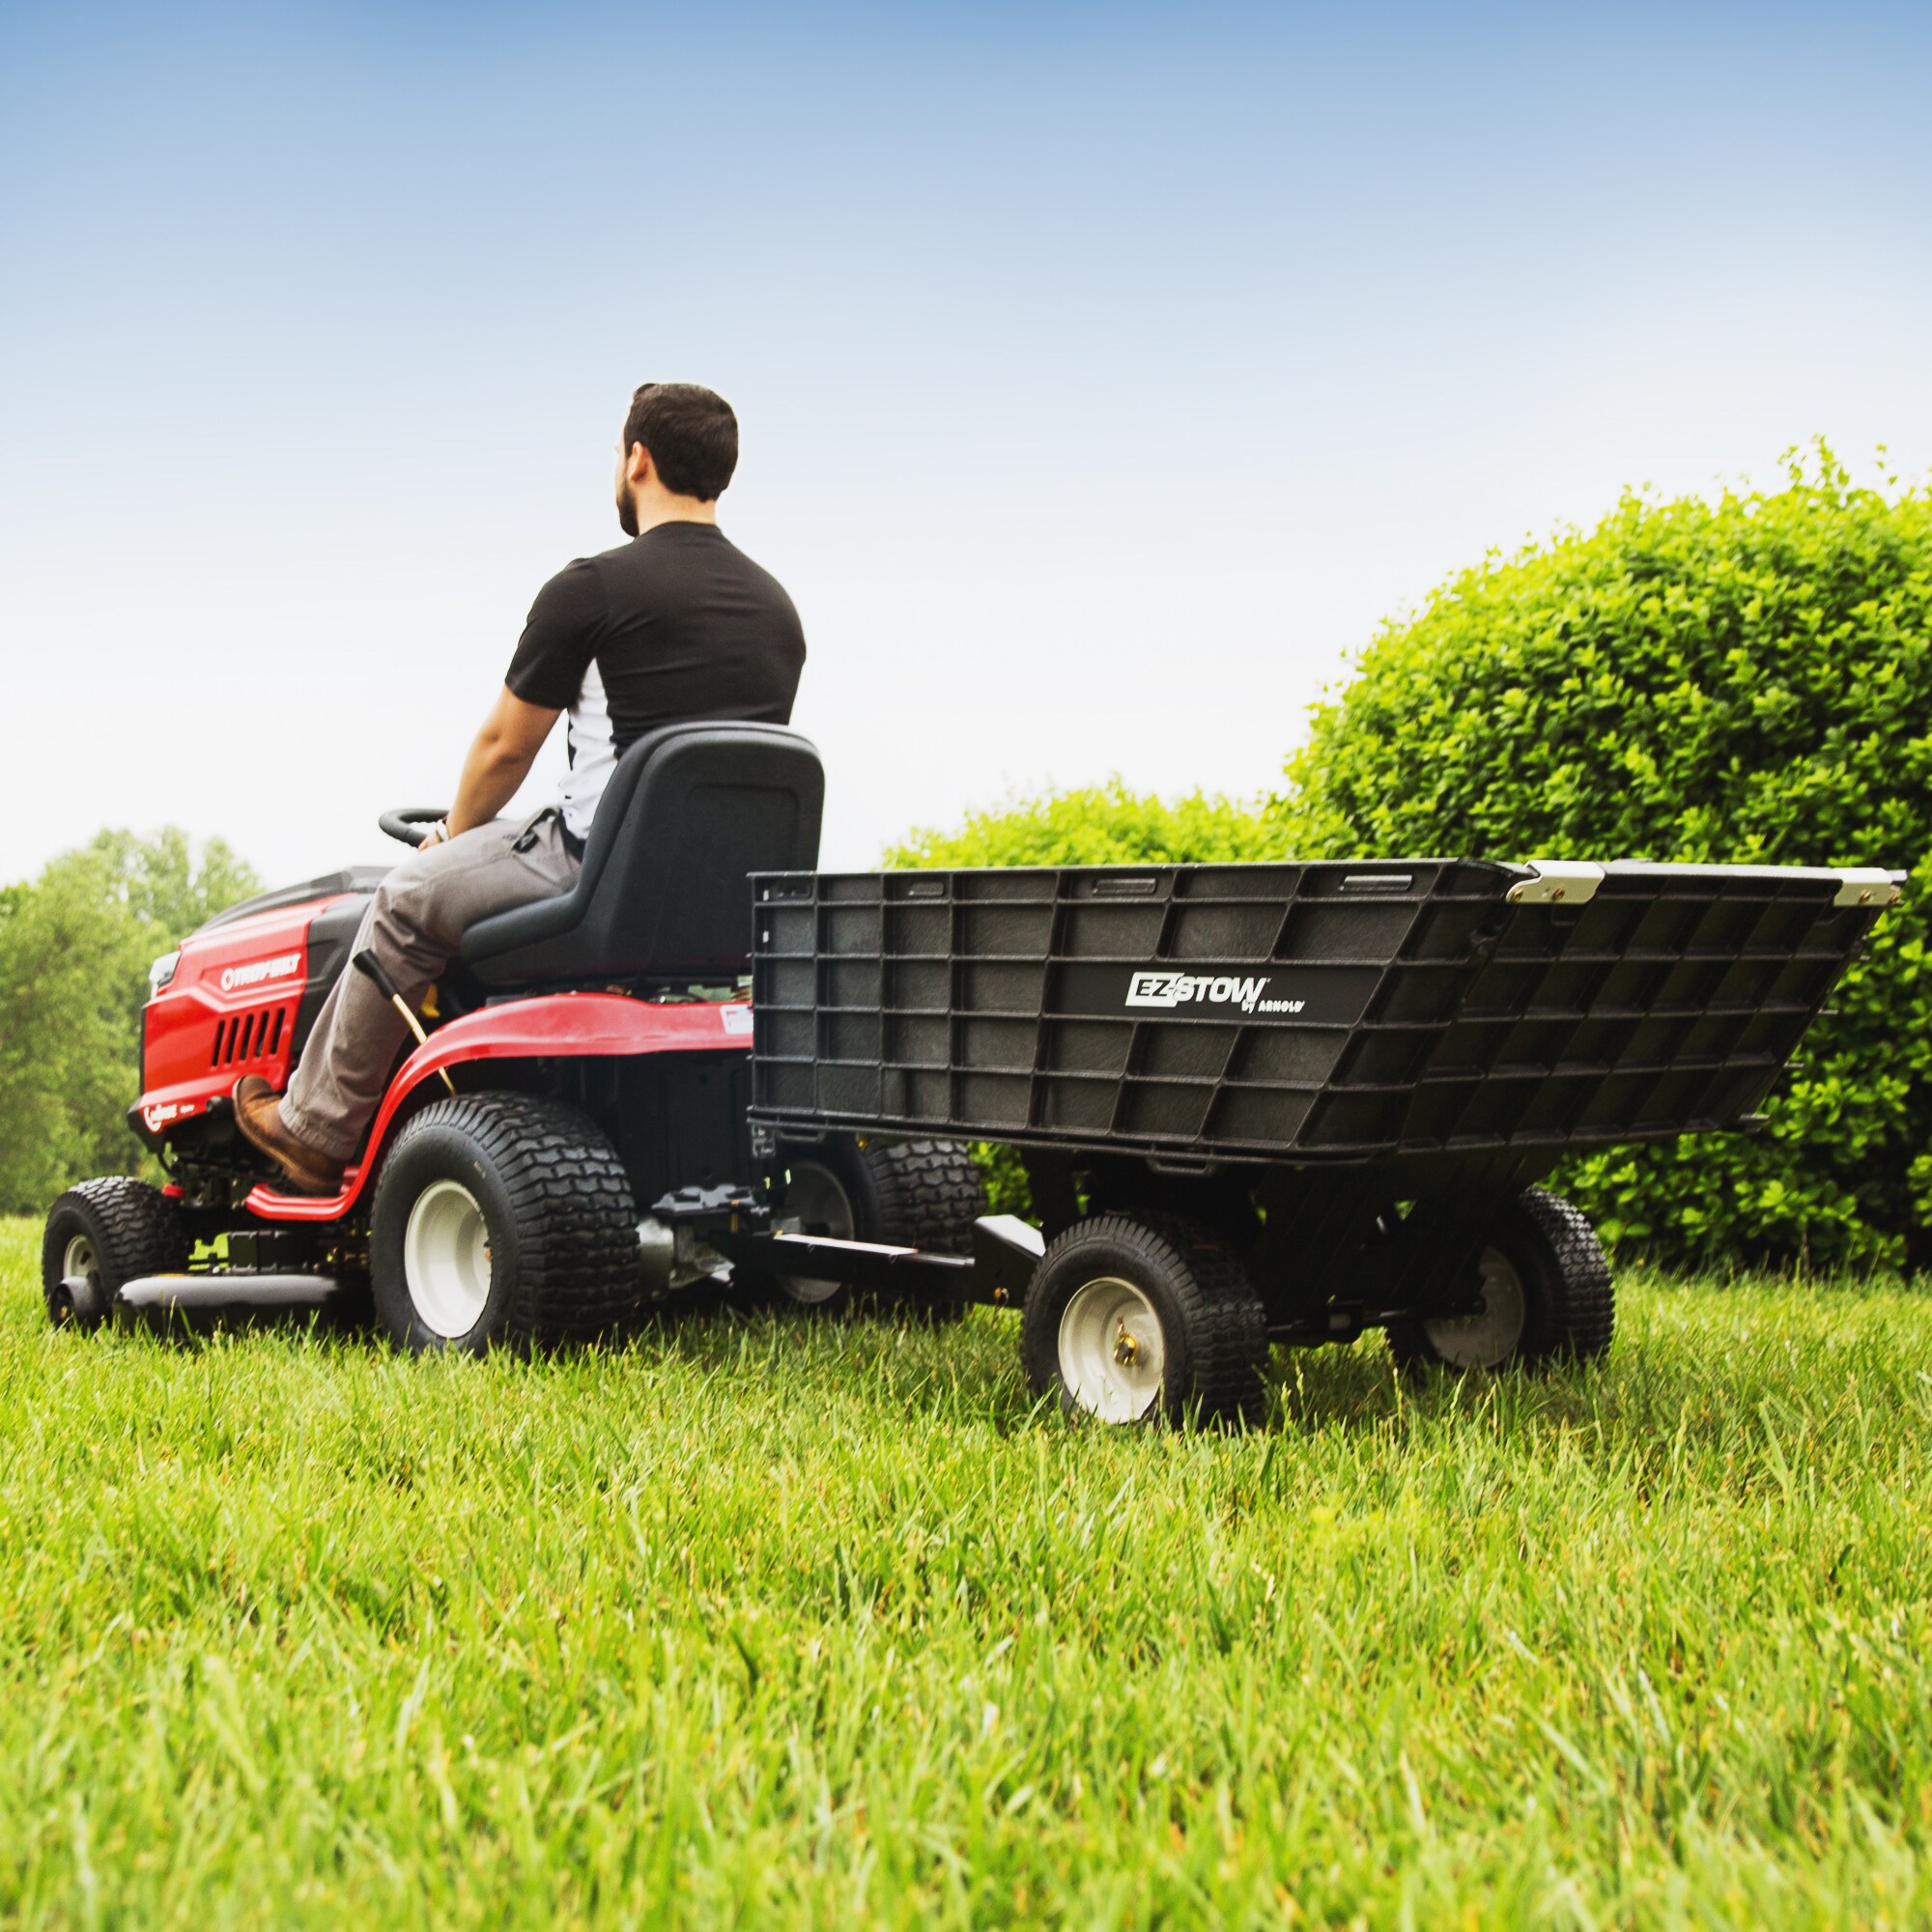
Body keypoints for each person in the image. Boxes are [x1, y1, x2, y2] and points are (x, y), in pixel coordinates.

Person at [234, 382, 807, 1195]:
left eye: (618, 451)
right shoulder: (777, 610)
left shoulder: (593, 590)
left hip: (594, 870)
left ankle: (314, 1126)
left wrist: (451, 835)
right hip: (725, 902)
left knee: (402, 902)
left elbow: (505, 748)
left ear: (637, 459)